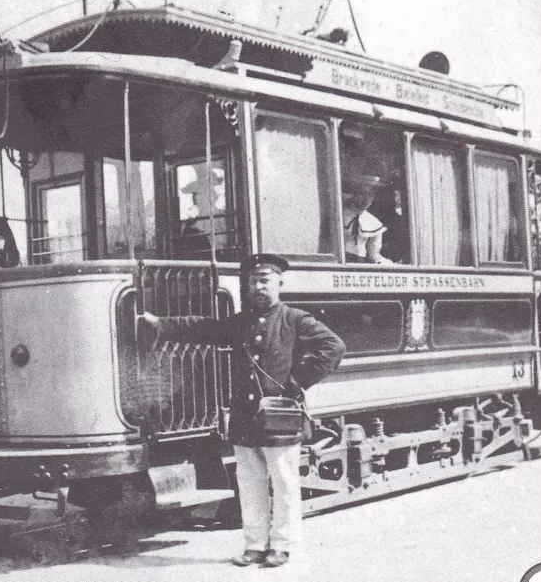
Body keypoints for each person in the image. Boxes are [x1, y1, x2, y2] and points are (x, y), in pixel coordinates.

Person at [140, 254, 345, 568]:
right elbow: (203, 329)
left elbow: (334, 347)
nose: (259, 286)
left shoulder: (296, 319)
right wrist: (162, 325)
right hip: (246, 417)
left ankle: (282, 546)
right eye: (253, 281)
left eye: (265, 280)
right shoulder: (239, 323)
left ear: (279, 282)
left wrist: (297, 382)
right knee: (249, 483)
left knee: (285, 482)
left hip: (280, 416)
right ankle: (254, 545)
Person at [342, 173, 393, 264]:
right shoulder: (340, 215)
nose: (366, 199)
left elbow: (373, 254)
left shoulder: (373, 222)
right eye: (362, 193)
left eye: (370, 195)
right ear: (354, 193)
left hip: (359, 264)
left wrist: (386, 263)